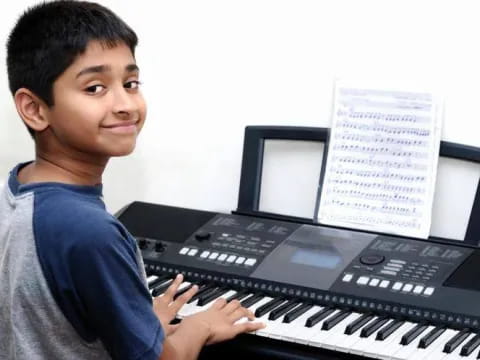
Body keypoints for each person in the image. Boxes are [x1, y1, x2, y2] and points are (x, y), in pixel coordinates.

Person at [0, 1, 264, 359]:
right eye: (94, 88)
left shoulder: (17, 187)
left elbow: (52, 318)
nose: (126, 104)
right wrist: (199, 325)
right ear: (35, 109)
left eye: (130, 82)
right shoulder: (89, 231)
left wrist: (139, 318)